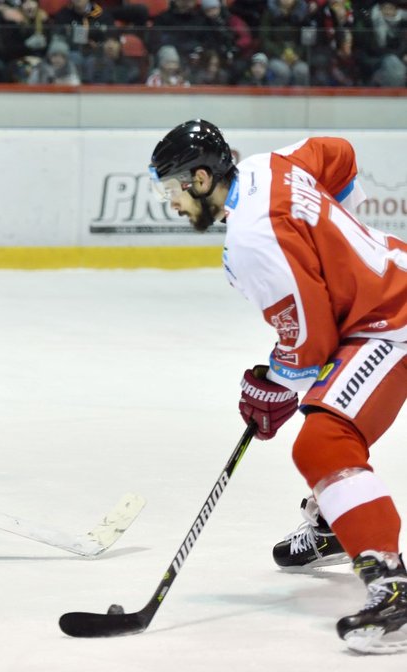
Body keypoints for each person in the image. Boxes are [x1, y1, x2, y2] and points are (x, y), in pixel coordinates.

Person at [148, 119, 407, 653]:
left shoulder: (253, 238)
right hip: (386, 290)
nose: (169, 203)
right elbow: (340, 154)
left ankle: (392, 591)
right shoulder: (268, 165)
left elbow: (309, 344)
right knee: (332, 412)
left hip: (389, 319)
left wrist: (276, 386)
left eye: (172, 189)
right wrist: (339, 244)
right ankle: (339, 523)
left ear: (200, 179)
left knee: (323, 441)